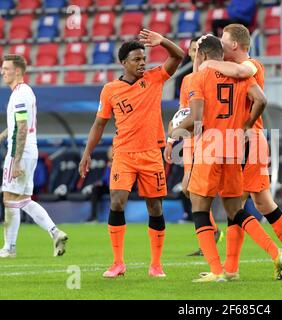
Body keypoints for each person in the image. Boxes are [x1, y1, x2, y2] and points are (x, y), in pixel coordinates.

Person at [171, 35, 282, 282]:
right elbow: (262, 99)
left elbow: (197, 118)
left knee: (200, 208)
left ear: (202, 56)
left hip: (208, 149)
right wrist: (246, 124)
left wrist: (175, 130)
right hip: (235, 148)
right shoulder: (241, 76)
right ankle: (276, 253)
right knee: (236, 210)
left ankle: (216, 271)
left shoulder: (197, 78)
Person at [198, 24, 282, 280]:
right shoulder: (227, 70)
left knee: (257, 203)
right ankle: (233, 269)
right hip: (236, 144)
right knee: (239, 204)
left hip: (252, 142)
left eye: (224, 41)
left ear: (235, 45)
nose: (221, 45)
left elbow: (240, 71)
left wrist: (207, 64)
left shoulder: (252, 66)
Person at [79, 32, 184, 278]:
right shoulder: (110, 90)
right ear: (124, 63)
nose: (142, 63)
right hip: (124, 153)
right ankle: (118, 263)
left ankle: (156, 265)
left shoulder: (155, 78)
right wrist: (87, 153)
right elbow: (99, 124)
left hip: (151, 153)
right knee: (116, 200)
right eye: (136, 59)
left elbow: (178, 56)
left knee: (155, 207)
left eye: (144, 58)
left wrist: (163, 42)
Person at [0, 55, 68, 258]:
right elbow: (19, 124)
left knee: (9, 199)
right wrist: (3, 134)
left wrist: (17, 160)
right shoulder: (25, 91)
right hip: (31, 149)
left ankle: (9, 248)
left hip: (19, 152)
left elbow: (21, 128)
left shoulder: (19, 95)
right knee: (23, 200)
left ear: (18, 71)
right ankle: (55, 232)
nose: (3, 72)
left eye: (6, 68)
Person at [164, 37, 223, 257]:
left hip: (209, 138)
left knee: (196, 189)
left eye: (199, 48)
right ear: (190, 52)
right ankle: (212, 233)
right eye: (193, 48)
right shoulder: (188, 80)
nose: (195, 52)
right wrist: (172, 140)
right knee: (189, 189)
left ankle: (212, 238)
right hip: (190, 140)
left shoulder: (210, 77)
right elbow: (183, 111)